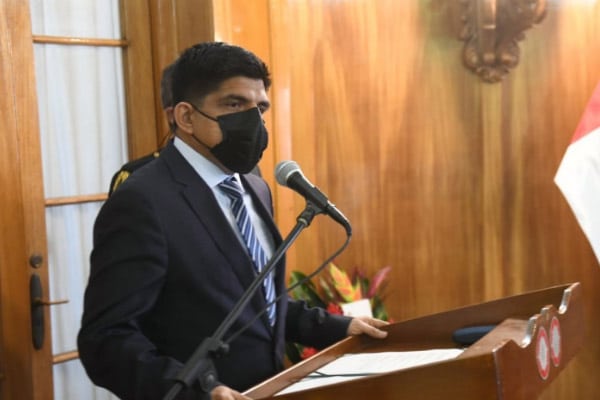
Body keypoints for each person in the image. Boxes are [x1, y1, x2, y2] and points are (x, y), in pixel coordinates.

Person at [78, 41, 388, 400]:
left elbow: (258, 301)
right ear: (186, 117)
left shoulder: (255, 187)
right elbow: (107, 339)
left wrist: (341, 327)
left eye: (261, 107)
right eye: (234, 104)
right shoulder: (142, 200)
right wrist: (201, 391)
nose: (253, 121)